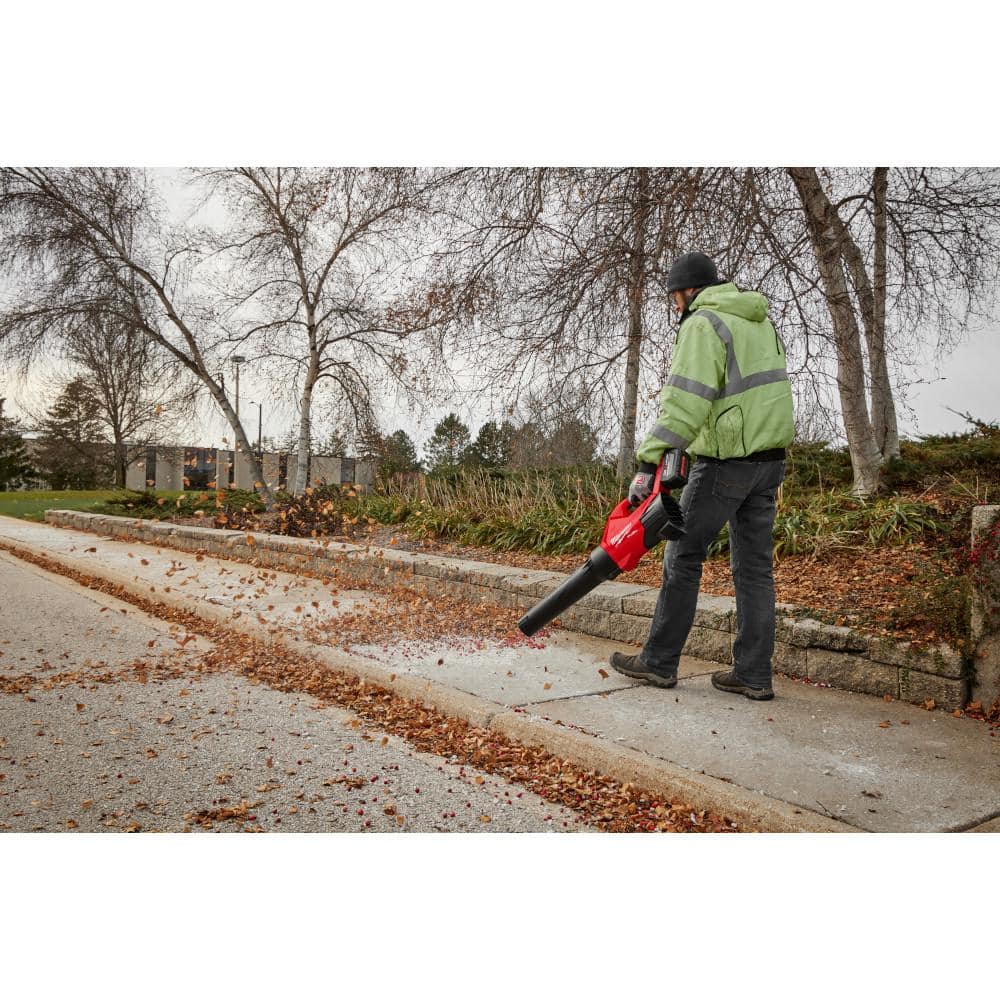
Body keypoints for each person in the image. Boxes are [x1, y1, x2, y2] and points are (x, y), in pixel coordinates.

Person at [610, 252, 794, 701]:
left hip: (725, 463)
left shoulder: (703, 323)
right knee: (755, 570)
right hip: (769, 462)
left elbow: (685, 403)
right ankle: (753, 674)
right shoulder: (758, 321)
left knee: (683, 555)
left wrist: (649, 462)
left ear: (687, 291)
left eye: (675, 297)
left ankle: (658, 662)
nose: (675, 306)